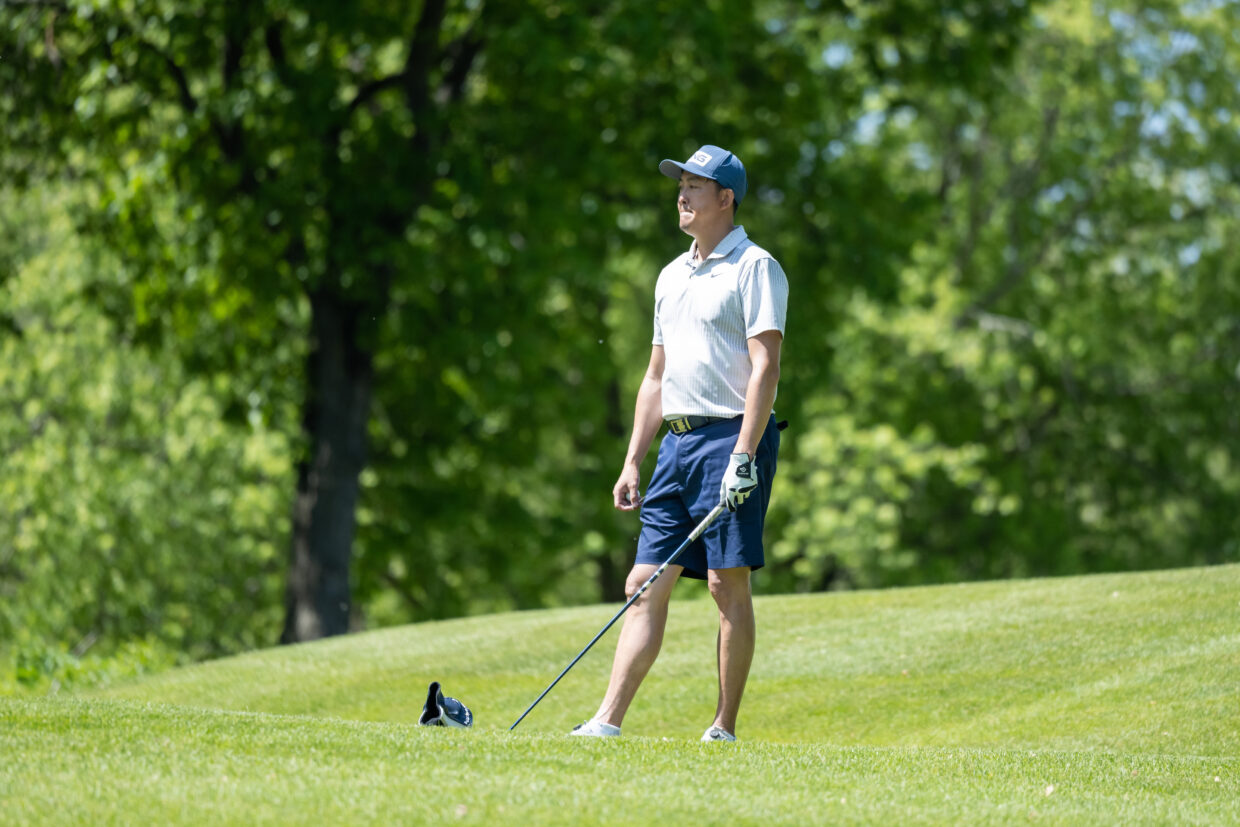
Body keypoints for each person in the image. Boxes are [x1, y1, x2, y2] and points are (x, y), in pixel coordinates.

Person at [572, 144, 788, 742]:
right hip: (676, 445)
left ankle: (723, 727)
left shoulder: (755, 267)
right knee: (642, 584)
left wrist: (744, 455)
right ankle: (606, 722)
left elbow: (766, 368)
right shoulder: (671, 275)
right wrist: (632, 460)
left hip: (731, 437)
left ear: (726, 198)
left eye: (695, 185)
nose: (682, 194)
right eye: (681, 184)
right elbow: (655, 377)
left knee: (725, 582)